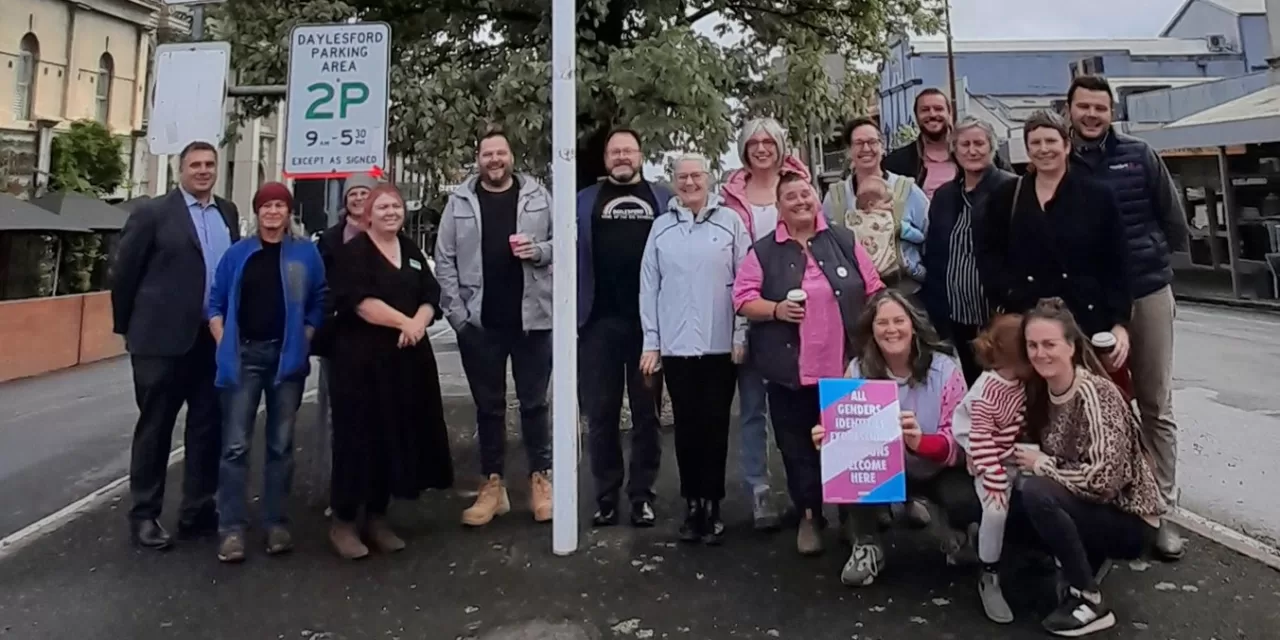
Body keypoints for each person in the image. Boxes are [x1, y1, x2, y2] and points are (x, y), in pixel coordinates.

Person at [1066, 74, 1190, 560]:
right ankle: (1111, 506)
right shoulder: (1060, 159)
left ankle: (1159, 510)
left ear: (1111, 111)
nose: (1092, 115)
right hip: (1090, 305)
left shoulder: (1140, 156)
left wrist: (1154, 267)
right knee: (1099, 407)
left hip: (1145, 292)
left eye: (1100, 107)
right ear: (1069, 108)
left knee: (1155, 402)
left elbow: (1173, 220)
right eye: (1084, 107)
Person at [732, 172, 885, 556]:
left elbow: (875, 288)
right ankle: (809, 515)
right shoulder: (764, 250)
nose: (800, 201)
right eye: (790, 197)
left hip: (845, 366)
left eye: (806, 194)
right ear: (779, 207)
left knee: (851, 446)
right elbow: (742, 298)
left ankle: (855, 518)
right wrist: (777, 309)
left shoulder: (844, 240)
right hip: (790, 371)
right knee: (798, 448)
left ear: (816, 198)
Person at [109, 140, 240, 550]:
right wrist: (127, 328)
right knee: (155, 430)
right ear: (180, 170)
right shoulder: (152, 214)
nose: (203, 171)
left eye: (209, 164)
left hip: (210, 340)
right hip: (160, 342)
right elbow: (124, 273)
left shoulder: (228, 213)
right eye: (195, 165)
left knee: (206, 428)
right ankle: (145, 516)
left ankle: (197, 510)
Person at [1009, 298, 1164, 636]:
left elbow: (1103, 479)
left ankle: (1090, 599)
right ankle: (1077, 562)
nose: (1040, 353)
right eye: (1032, 345)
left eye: (1049, 344)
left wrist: (1044, 465)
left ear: (1071, 346)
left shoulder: (1096, 393)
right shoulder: (1042, 390)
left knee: (1036, 491)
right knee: (1007, 506)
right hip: (1088, 504)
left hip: (1129, 517)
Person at [815, 290, 977, 588]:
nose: (891, 329)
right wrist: (828, 437)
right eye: (882, 323)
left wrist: (921, 443)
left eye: (899, 320)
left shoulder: (945, 369)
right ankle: (866, 544)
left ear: (913, 324)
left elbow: (962, 440)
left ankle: (954, 531)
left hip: (933, 468)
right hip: (879, 471)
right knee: (851, 470)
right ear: (871, 330)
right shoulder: (857, 370)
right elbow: (845, 433)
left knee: (964, 499)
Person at [436, 129, 555, 527]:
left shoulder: (539, 196)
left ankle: (541, 479)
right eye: (487, 154)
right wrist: (458, 318)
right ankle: (493, 486)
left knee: (535, 405)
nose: (494, 160)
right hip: (481, 325)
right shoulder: (459, 202)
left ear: (511, 156)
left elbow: (562, 245)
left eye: (500, 153)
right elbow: (445, 260)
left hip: (533, 321)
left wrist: (538, 251)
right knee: (489, 409)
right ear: (479, 159)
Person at [328, 183, 453, 559]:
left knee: (393, 436)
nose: (390, 213)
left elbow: (432, 295)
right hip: (360, 364)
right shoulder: (353, 253)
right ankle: (344, 522)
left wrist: (418, 322)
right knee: (357, 440)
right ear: (368, 213)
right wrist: (406, 324)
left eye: (395, 207)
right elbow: (362, 304)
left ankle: (378, 518)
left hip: (406, 362)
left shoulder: (411, 251)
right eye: (382, 207)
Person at [207, 182, 326, 563]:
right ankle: (231, 528)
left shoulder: (305, 254)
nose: (273, 212)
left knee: (280, 444)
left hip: (286, 359)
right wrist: (224, 339)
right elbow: (214, 302)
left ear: (289, 212)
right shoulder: (238, 254)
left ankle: (276, 522)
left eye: (280, 205)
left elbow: (319, 299)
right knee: (236, 445)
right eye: (266, 206)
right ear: (257, 212)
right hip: (244, 356)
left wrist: (305, 336)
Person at [638, 153, 751, 544]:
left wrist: (740, 336)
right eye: (682, 177)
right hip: (676, 345)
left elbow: (745, 283)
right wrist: (651, 342)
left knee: (715, 426)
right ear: (673, 181)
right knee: (686, 426)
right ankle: (692, 504)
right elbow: (649, 287)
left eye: (696, 176)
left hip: (721, 346)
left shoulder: (731, 223)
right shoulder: (661, 229)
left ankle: (713, 503)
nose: (689, 183)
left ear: (709, 179)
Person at [575, 128, 675, 527]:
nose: (621, 157)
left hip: (649, 327)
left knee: (646, 415)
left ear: (640, 156)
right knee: (600, 414)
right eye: (615, 151)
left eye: (628, 151)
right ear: (605, 158)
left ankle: (642, 495)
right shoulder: (584, 201)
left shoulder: (663, 198)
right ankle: (605, 496)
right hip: (598, 323)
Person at [719, 117, 809, 531]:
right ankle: (758, 491)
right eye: (753, 142)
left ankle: (806, 496)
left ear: (780, 145)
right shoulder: (729, 197)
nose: (761, 148)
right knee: (753, 409)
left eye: (768, 141)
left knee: (800, 413)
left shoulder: (802, 185)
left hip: (801, 316)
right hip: (753, 313)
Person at [976, 109, 1131, 341]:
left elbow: (1117, 263)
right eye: (1035, 143)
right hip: (1027, 321)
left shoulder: (1098, 196)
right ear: (1028, 150)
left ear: (1066, 145)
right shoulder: (1006, 196)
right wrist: (1009, 296)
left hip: (1087, 321)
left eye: (1050, 141)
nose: (1044, 149)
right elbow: (989, 257)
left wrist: (1120, 324)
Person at [922, 117, 1017, 384]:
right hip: (953, 316)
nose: (972, 151)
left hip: (996, 313)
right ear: (954, 149)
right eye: (964, 144)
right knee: (967, 386)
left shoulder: (1011, 188)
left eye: (979, 143)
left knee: (1003, 386)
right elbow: (936, 252)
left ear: (991, 147)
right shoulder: (943, 196)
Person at [949, 313, 1028, 624]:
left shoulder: (1019, 382)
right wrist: (994, 477)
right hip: (988, 457)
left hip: (1009, 452)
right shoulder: (987, 391)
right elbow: (979, 439)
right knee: (996, 510)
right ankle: (989, 571)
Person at [822, 117, 929, 297]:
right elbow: (825, 244)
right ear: (849, 151)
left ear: (882, 147)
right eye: (859, 143)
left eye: (872, 142)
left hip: (903, 290)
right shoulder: (835, 197)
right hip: (855, 294)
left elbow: (929, 236)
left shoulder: (907, 190)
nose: (866, 148)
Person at [883, 87, 1013, 199]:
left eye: (938, 109)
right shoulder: (899, 162)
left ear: (949, 113)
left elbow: (1012, 186)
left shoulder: (978, 155)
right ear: (916, 116)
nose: (932, 114)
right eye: (925, 110)